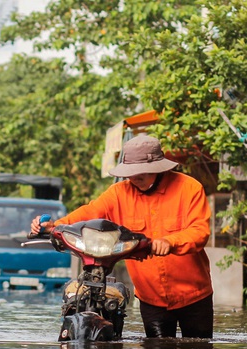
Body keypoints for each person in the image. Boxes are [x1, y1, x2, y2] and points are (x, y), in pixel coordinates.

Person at [30, 135, 214, 338]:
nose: (134, 177)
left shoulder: (189, 188)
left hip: (194, 295)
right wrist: (55, 226)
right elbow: (90, 212)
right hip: (150, 297)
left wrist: (169, 242)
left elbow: (199, 231)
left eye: (141, 172)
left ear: (158, 168)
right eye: (130, 172)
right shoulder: (118, 194)